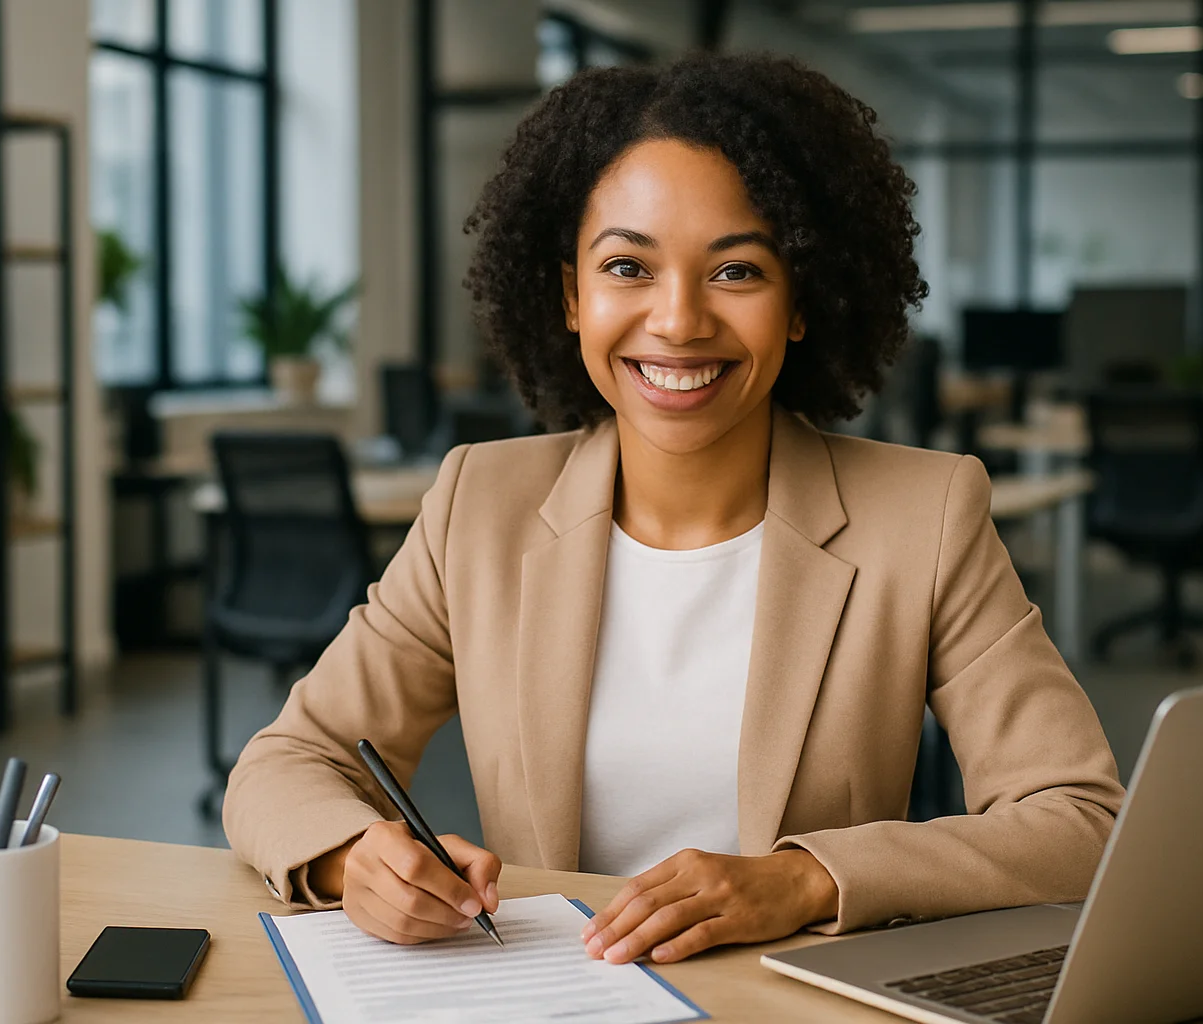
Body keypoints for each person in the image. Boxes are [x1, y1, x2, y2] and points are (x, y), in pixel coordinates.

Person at [224, 51, 1123, 967]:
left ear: (801, 302)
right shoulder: (479, 505)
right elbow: (290, 762)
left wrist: (807, 878)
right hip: (559, 1001)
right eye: (627, 267)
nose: (680, 320)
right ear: (572, 296)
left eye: (736, 272)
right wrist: (352, 858)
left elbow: (1081, 820)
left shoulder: (924, 516)